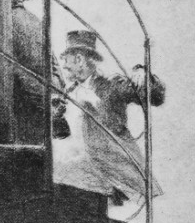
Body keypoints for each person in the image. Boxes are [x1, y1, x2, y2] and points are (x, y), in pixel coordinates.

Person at [54, 29, 165, 207]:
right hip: (86, 174)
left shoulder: (112, 84)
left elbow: (157, 97)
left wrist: (143, 74)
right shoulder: (69, 91)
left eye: (66, 60)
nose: (64, 65)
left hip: (116, 172)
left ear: (79, 59)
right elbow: (62, 135)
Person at [10, 0, 69, 143]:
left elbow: (12, 67)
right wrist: (57, 95)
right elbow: (54, 65)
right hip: (43, 100)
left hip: (23, 101)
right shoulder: (36, 21)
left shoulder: (5, 20)